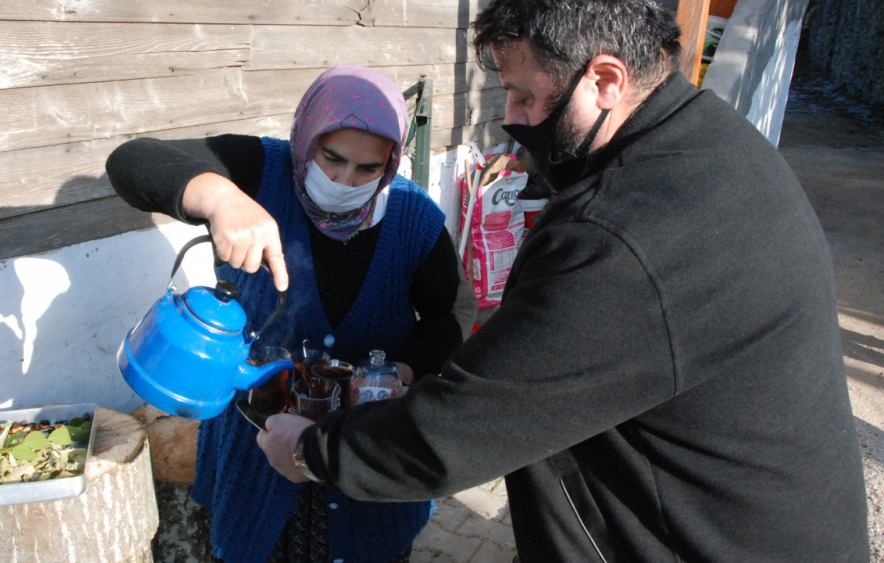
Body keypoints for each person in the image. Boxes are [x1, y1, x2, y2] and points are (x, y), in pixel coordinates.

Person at [256, 1, 872, 561]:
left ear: (604, 81)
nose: (512, 119)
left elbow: (470, 425)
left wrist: (314, 452)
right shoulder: (704, 141)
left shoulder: (625, 236)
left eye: (523, 97)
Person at [107, 66, 475, 563]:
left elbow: (450, 313)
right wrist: (220, 198)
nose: (345, 181)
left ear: (392, 161)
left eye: (369, 169)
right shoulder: (259, 169)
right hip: (255, 449)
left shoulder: (414, 217)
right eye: (332, 158)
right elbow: (131, 161)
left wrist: (398, 373)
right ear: (307, 137)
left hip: (362, 449)